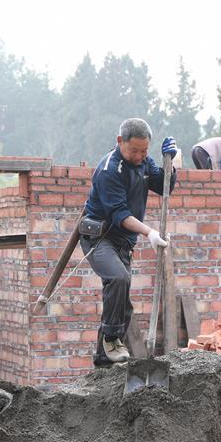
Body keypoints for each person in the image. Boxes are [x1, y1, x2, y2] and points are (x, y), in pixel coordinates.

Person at [80, 118, 177, 366]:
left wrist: (172, 166)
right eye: (134, 150)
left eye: (144, 151)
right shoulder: (109, 170)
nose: (139, 156)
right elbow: (119, 215)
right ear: (119, 141)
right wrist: (149, 233)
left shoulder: (145, 162)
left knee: (123, 304)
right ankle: (112, 340)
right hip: (99, 237)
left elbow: (162, 185)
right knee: (118, 278)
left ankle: (104, 361)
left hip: (123, 243)